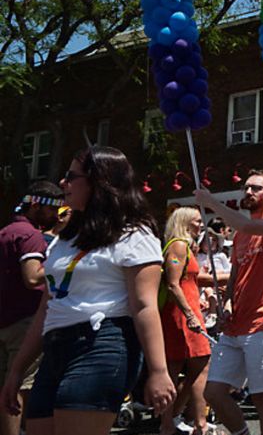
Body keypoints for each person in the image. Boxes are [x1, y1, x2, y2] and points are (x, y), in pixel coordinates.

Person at [1, 146, 175, 435]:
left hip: (103, 344)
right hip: (55, 348)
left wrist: (158, 371)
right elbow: (47, 307)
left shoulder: (134, 234)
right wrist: (16, 371)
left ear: (100, 182)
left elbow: (144, 306)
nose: (62, 184)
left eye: (71, 177)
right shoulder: (64, 240)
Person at [196, 171, 263, 435]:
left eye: (256, 188)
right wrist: (227, 303)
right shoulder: (239, 236)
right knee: (214, 392)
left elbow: (250, 226)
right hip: (236, 324)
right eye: (246, 187)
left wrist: (212, 203)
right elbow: (237, 275)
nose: (248, 192)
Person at [0, 181, 61, 435]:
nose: (54, 216)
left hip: (5, 319)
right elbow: (33, 277)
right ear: (36, 205)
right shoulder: (31, 236)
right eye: (52, 210)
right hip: (25, 322)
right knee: (21, 387)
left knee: (6, 385)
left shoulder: (6, 231)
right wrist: (64, 262)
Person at [158, 207, 213, 435]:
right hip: (180, 315)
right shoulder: (179, 246)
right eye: (197, 221)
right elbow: (173, 283)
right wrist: (190, 314)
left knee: (185, 367)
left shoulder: (183, 246)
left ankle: (173, 420)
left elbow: (189, 280)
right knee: (192, 366)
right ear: (185, 222)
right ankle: (189, 422)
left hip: (186, 311)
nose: (201, 225)